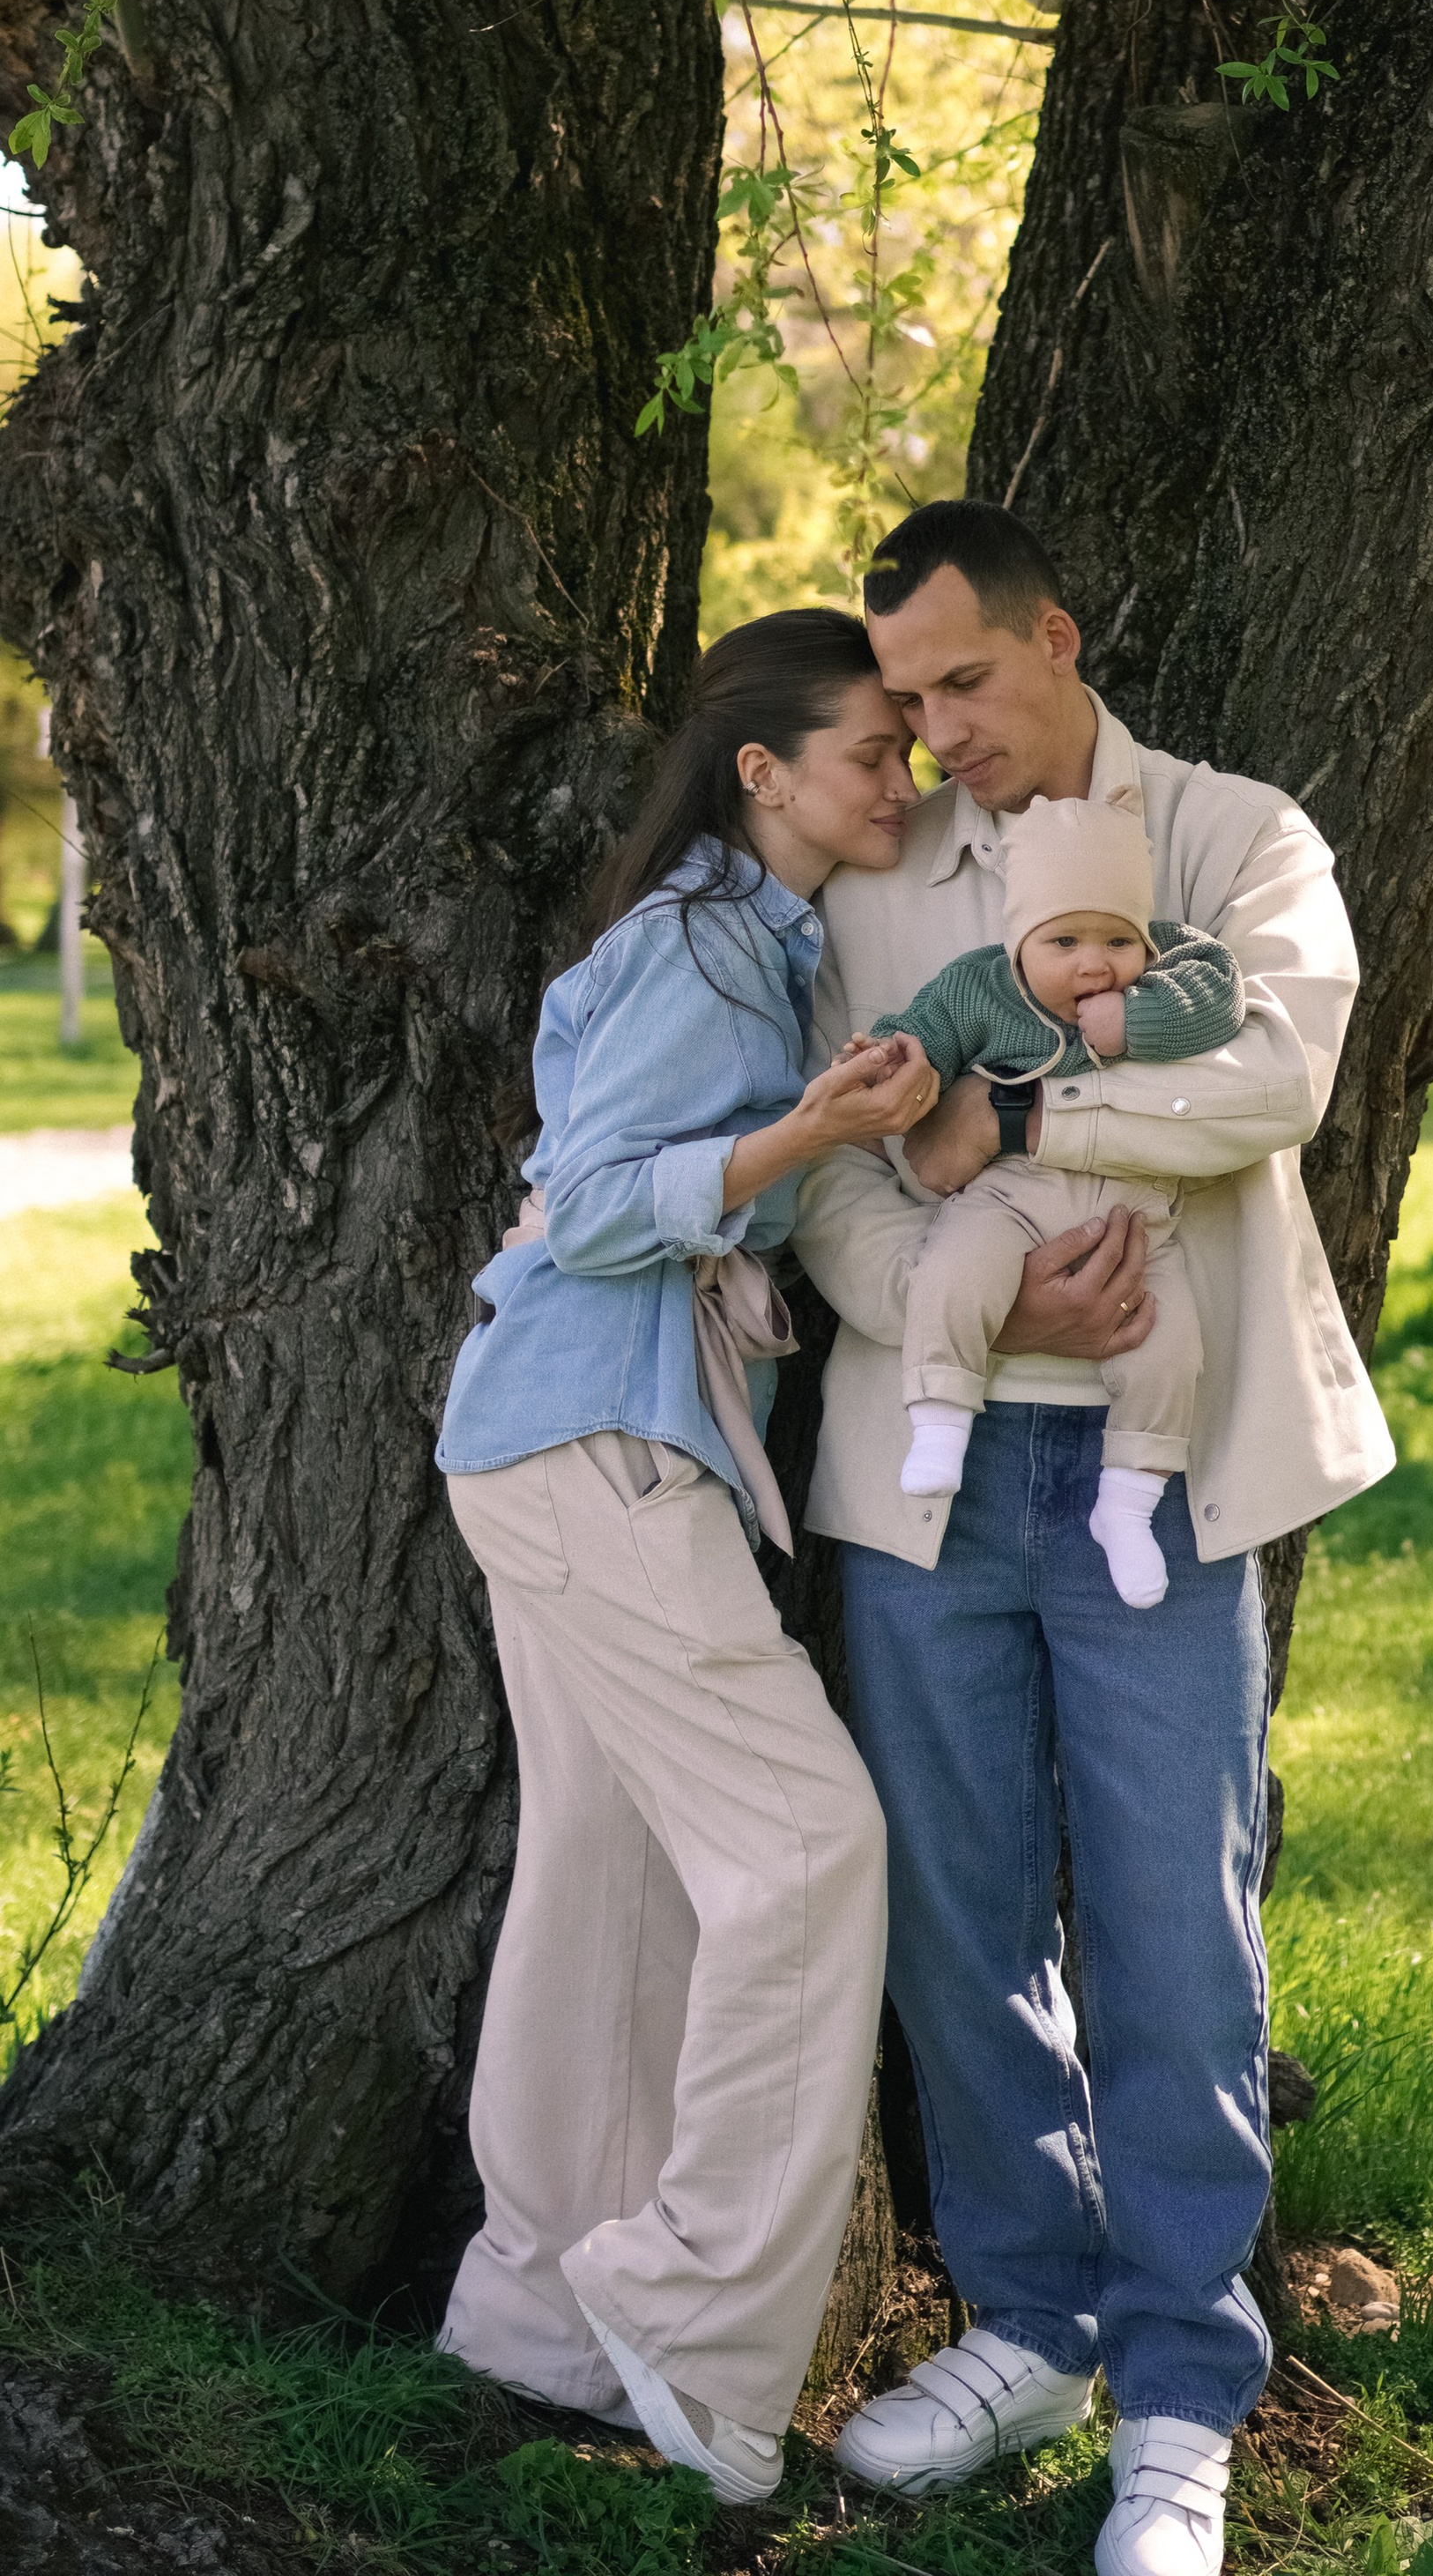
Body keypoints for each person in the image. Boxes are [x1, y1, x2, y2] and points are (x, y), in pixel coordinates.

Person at [793, 502, 1396, 2576]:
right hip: (928, 1467)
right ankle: (1030, 2322)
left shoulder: (1235, 839)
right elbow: (837, 1192)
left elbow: (1273, 1077)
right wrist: (969, 1285)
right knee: (959, 1920)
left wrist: (1027, 1129)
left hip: (1170, 1467)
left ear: (1054, 636)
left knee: (1172, 1928)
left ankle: (1179, 2395)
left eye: (965, 680)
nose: (938, 729)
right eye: (904, 700)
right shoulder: (876, 892)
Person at [434, 609, 939, 2506]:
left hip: (563, 1440)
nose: (896, 779)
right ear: (764, 772)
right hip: (587, 1437)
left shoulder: (762, 949)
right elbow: (600, 1198)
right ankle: (691, 2313)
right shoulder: (704, 949)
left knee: (617, 1883)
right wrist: (798, 1134)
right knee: (810, 1849)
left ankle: (542, 2319)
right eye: (871, 751)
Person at [850, 789, 1245, 1606]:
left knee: (1171, 1348)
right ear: (1019, 940)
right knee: (955, 1270)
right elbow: (923, 1034)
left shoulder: (1170, 967)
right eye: (1063, 941)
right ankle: (940, 1419)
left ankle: (1128, 1505)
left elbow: (1222, 997)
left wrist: (1132, 1022)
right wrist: (889, 1058)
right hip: (1011, 1196)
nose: (1093, 964)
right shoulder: (982, 988)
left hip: (1138, 1220)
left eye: (1116, 940)